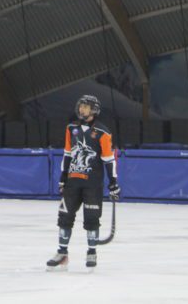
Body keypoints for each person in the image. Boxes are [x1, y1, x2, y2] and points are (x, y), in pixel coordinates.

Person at [47, 94, 120, 272]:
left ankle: (92, 252)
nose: (82, 109)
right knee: (64, 217)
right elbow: (67, 154)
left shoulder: (103, 132)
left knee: (92, 218)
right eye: (81, 106)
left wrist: (113, 182)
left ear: (93, 110)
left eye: (86, 107)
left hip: (92, 184)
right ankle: (62, 253)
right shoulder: (71, 128)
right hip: (73, 182)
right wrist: (63, 178)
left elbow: (109, 159)